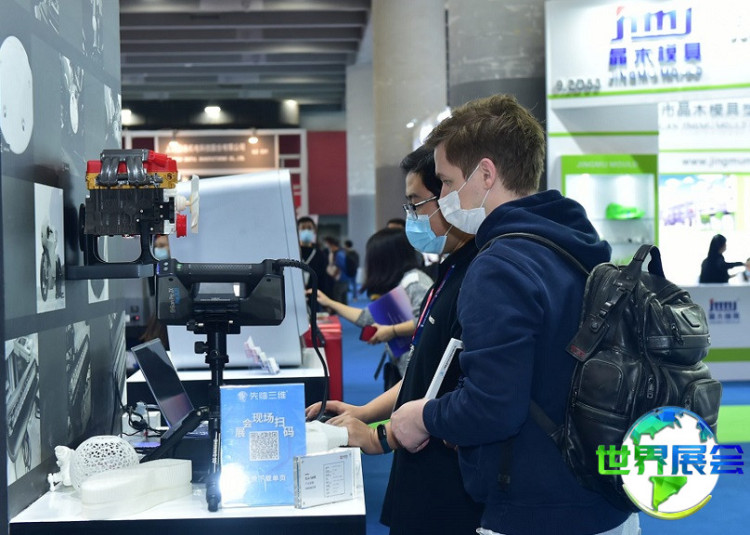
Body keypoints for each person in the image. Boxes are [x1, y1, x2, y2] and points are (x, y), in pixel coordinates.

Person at [390, 94, 638, 535]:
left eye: (446, 182)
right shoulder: (575, 243)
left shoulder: (500, 265)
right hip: (604, 499)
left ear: (486, 175)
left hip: (536, 510)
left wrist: (423, 417)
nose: (443, 197)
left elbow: (493, 406)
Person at [307, 146, 481, 534]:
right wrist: (364, 412)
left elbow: (466, 393)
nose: (412, 216)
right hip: (419, 473)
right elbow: (424, 372)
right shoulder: (447, 275)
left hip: (447, 486)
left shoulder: (477, 278)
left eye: (417, 202)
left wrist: (379, 437)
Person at [312, 227, 433, 380]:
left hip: (421, 374)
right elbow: (367, 317)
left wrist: (393, 331)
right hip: (407, 372)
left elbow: (426, 322)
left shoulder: (415, 282)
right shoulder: (400, 283)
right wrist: (330, 302)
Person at [297, 216, 333, 297]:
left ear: (314, 231)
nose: (306, 231)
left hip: (314, 296)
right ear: (297, 231)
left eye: (309, 228)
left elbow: (323, 279)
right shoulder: (293, 252)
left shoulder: (320, 254)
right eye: (303, 228)